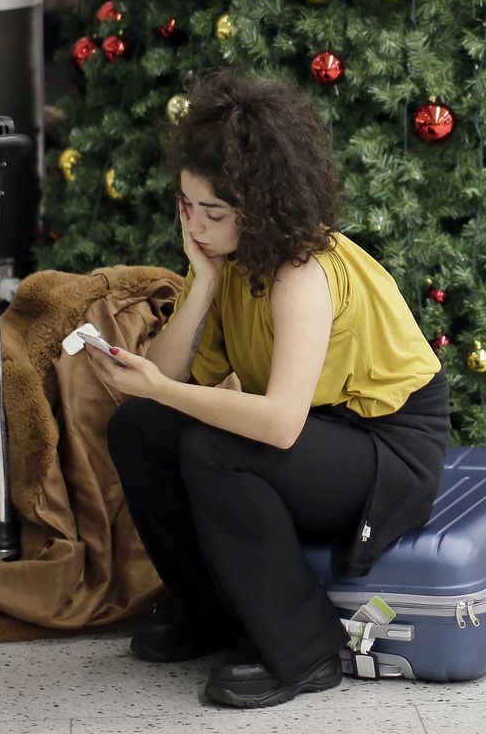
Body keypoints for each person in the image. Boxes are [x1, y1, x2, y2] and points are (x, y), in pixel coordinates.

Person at [92, 72, 451, 709]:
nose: (196, 226)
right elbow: (164, 384)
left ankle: (302, 648)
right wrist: (200, 282)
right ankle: (210, 609)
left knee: (214, 447)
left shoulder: (302, 272)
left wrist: (161, 390)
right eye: (187, 206)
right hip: (319, 428)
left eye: (214, 213)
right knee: (139, 430)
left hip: (383, 445)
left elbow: (281, 423)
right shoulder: (226, 257)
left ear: (259, 208)